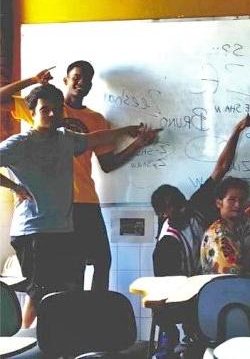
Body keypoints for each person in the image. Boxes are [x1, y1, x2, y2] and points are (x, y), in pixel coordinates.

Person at [0, 80, 148, 328]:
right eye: (44, 109)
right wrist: (15, 187)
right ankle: (26, 345)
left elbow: (95, 138)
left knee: (62, 290)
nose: (51, 114)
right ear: (33, 111)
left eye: (55, 109)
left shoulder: (64, 139)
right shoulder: (21, 143)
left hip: (62, 229)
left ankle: (60, 344)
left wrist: (128, 130)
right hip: (33, 230)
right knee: (39, 293)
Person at [149, 114, 250, 359]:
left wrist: (237, 130)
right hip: (186, 294)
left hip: (207, 284)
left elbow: (221, 167)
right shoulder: (167, 243)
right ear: (162, 214)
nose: (181, 210)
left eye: (181, 204)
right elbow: (168, 292)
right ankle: (173, 342)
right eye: (173, 209)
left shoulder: (194, 207)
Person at [63, 61, 159, 290]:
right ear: (65, 80)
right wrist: (34, 82)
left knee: (103, 260)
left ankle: (97, 314)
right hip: (60, 203)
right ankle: (72, 317)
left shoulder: (96, 120)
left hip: (87, 200)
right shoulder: (47, 110)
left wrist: (138, 144)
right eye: (76, 77)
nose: (82, 82)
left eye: (87, 79)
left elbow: (107, 164)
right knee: (73, 265)